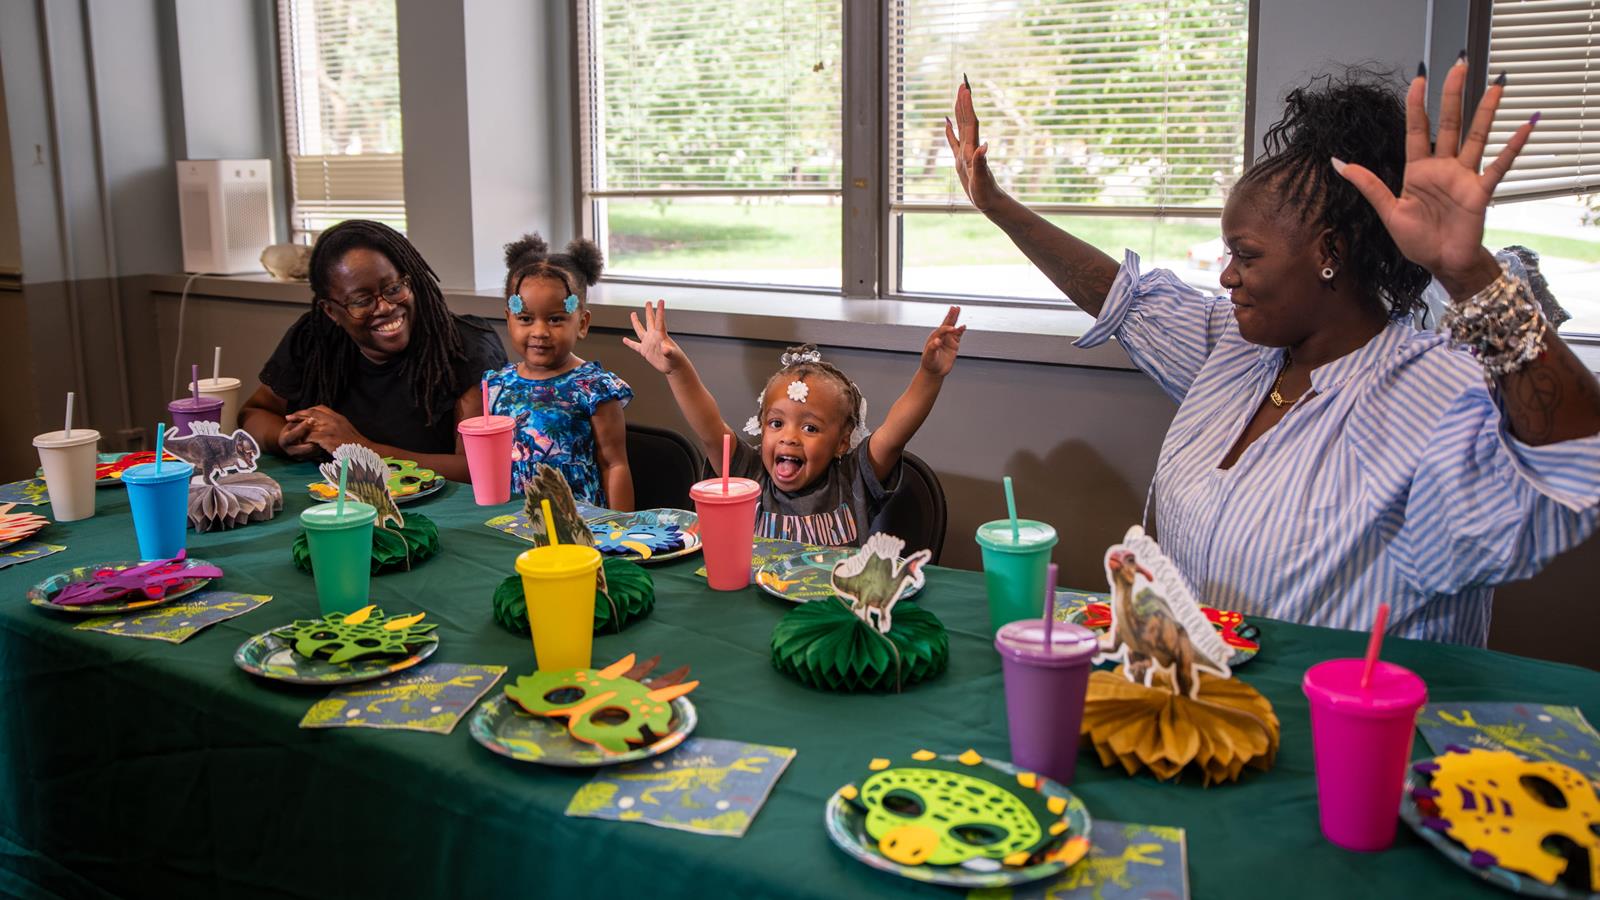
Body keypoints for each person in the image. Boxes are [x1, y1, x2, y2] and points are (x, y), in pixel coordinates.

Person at [946, 61, 1600, 645]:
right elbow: (1120, 294)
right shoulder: (1237, 351)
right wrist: (996, 205)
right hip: (1198, 718)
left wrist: (1469, 275)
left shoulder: (1434, 390)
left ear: (1329, 254)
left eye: (1247, 255)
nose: (1227, 275)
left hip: (1341, 743)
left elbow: (1577, 457)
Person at [624, 301, 966, 547]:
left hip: (826, 618)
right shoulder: (748, 473)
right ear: (761, 426)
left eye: (811, 428)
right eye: (776, 423)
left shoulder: (855, 479)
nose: (789, 437)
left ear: (843, 441)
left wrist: (929, 375)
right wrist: (676, 369)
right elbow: (710, 427)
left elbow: (894, 433)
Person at [240, 220, 507, 483]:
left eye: (393, 289)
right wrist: (283, 438)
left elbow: (478, 467)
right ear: (331, 311)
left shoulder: (464, 347)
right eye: (362, 301)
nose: (385, 307)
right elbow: (253, 413)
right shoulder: (315, 339)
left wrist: (362, 450)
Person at [484, 234, 633, 508]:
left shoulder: (594, 389)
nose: (540, 331)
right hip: (510, 525)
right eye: (526, 319)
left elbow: (614, 465)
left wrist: (620, 531)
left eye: (555, 319)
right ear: (509, 319)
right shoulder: (495, 386)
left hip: (579, 526)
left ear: (582, 323)